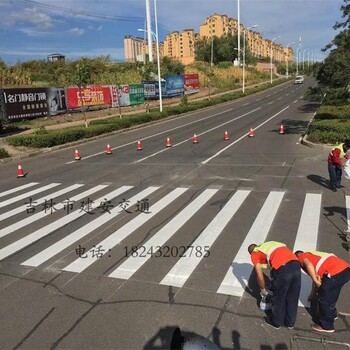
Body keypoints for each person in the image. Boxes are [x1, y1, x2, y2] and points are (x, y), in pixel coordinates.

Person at [248, 241, 301, 330]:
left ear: (251, 252)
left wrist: (262, 290)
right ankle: (290, 323)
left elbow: (260, 277)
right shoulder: (269, 245)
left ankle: (277, 322)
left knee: (279, 297)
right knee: (292, 297)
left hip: (283, 269)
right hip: (296, 265)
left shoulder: (254, 253)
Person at [294, 250, 350, 333]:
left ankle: (326, 325)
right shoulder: (314, 255)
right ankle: (332, 314)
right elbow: (316, 277)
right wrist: (312, 294)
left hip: (334, 273)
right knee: (333, 293)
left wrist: (316, 282)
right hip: (345, 270)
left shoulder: (301, 257)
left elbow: (308, 265)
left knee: (324, 298)